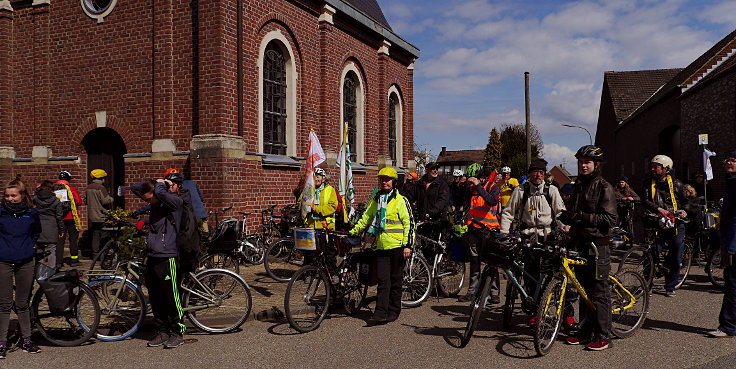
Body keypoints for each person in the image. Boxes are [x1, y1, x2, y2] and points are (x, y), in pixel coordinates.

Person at [560, 145, 617, 351]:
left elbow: (610, 218)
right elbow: (575, 212)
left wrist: (582, 217)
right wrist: (567, 218)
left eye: (587, 162)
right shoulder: (578, 185)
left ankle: (603, 335)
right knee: (583, 289)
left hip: (598, 246)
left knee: (598, 291)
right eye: (581, 162)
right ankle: (585, 332)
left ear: (596, 164)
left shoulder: (604, 187)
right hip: (580, 243)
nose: (583, 165)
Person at [349, 167, 414, 324]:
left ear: (394, 182)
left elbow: (409, 224)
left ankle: (393, 311)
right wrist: (353, 231)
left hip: (398, 247)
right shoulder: (377, 200)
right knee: (383, 280)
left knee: (395, 280)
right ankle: (380, 313)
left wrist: (408, 245)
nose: (384, 182)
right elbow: (366, 218)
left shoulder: (400, 201)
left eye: (387, 179)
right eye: (382, 179)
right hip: (382, 247)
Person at [130, 178, 186, 349]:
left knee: (171, 297)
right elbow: (134, 188)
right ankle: (162, 331)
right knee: (155, 297)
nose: (147, 202)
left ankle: (177, 332)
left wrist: (162, 186)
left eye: (149, 199)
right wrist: (156, 182)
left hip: (168, 255)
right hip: (153, 255)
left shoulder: (174, 202)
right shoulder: (155, 204)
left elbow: (162, 195)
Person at [0, 177, 42, 358]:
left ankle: (27, 339)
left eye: (13, 195)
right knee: (4, 304)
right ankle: (2, 342)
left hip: (25, 261)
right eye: (7, 196)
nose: (10, 199)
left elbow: (37, 232)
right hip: (3, 261)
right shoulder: (1, 212)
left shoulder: (32, 214)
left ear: (22, 195)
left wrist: (30, 247)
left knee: (23, 303)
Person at [641, 154, 688, 296]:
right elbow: (644, 199)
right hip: (657, 221)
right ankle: (647, 284)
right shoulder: (648, 182)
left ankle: (670, 286)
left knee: (676, 254)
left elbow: (686, 202)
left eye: (656, 167)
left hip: (675, 223)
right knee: (650, 253)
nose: (653, 169)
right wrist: (658, 209)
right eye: (652, 166)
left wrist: (685, 211)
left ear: (666, 169)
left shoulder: (677, 184)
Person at [459, 166, 501, 303]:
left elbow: (492, 201)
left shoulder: (493, 187)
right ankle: (471, 292)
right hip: (474, 230)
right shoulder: (472, 188)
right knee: (474, 262)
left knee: (492, 262)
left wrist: (479, 186)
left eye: (477, 179)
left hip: (489, 230)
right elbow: (466, 203)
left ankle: (494, 293)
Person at [500, 158, 565, 240]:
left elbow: (560, 212)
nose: (538, 175)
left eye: (541, 173)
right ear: (530, 174)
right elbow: (508, 213)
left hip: (548, 236)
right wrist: (504, 233)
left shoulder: (552, 190)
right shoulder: (520, 190)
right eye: (535, 172)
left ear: (544, 175)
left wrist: (564, 226)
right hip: (526, 236)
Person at [709, 152, 736, 337]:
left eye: (734, 160)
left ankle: (729, 326)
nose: (729, 162)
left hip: (734, 242)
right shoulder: (732, 183)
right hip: (730, 239)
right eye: (728, 159)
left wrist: (730, 246)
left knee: (732, 285)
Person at [301, 168, 338, 268]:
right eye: (314, 176)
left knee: (328, 251)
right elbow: (301, 202)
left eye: (318, 176)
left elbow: (333, 206)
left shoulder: (330, 190)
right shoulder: (308, 189)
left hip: (325, 226)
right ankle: (309, 272)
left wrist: (317, 209)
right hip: (310, 225)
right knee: (310, 253)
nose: (316, 179)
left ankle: (331, 272)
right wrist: (305, 205)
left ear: (323, 179)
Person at [33, 180, 65, 269]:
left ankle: (39, 270)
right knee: (51, 249)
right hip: (51, 226)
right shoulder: (56, 201)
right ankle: (51, 270)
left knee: (39, 249)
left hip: (38, 225)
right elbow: (59, 216)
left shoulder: (36, 198)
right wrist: (61, 229)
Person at [164, 169, 208, 233]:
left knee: (191, 238)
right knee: (207, 237)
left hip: (190, 218)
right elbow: (201, 199)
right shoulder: (192, 183)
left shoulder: (177, 188)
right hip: (201, 215)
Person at [55, 171, 82, 267]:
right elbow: (79, 202)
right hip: (71, 217)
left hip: (59, 218)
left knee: (60, 240)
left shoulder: (55, 190)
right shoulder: (71, 189)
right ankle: (74, 260)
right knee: (73, 239)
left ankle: (58, 262)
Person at [85, 169, 113, 259]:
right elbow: (105, 201)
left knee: (95, 235)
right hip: (102, 215)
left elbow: (85, 201)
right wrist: (111, 199)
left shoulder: (88, 187)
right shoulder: (101, 187)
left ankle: (95, 254)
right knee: (105, 235)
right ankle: (103, 255)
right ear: (102, 178)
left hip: (92, 216)